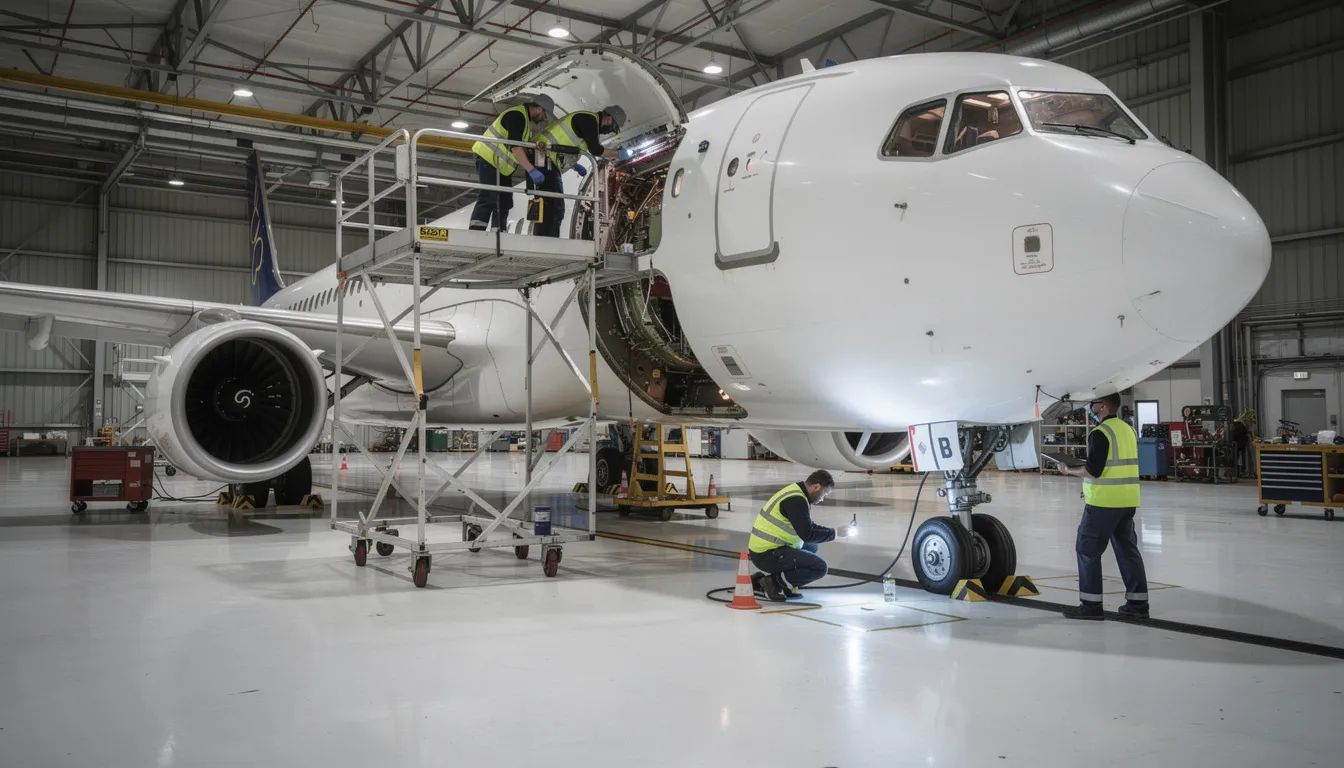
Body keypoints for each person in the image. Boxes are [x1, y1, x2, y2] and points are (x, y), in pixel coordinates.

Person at [1057, 393, 1150, 620]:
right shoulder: (1127, 429)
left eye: (1094, 403)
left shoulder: (1100, 433)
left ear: (1103, 406)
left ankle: (1090, 606)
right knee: (1128, 552)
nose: (1090, 407)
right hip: (1127, 501)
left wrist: (1068, 470)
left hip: (1103, 503)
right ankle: (1138, 607)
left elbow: (1093, 471)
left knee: (1087, 551)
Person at [748, 469, 854, 602]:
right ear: (816, 486)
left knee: (811, 547)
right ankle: (773, 582)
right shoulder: (797, 501)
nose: (823, 499)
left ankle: (777, 580)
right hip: (766, 554)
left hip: (768, 547)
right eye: (824, 493)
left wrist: (834, 531)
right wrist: (836, 533)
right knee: (820, 567)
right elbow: (808, 534)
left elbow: (809, 526)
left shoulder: (797, 491)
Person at [531, 105, 626, 237]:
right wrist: (619, 154)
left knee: (548, 203)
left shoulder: (587, 120)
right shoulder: (589, 120)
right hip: (543, 156)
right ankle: (548, 240)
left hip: (544, 156)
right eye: (613, 128)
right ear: (609, 119)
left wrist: (574, 165)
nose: (610, 131)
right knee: (555, 205)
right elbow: (596, 150)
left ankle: (544, 236)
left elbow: (568, 145)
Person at [468, 95, 555, 231]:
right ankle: (476, 232)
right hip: (488, 157)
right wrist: (531, 170)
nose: (545, 118)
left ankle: (498, 231)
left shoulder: (525, 120)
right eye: (545, 114)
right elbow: (515, 148)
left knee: (505, 200)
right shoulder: (517, 116)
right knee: (489, 196)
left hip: (500, 166)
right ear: (538, 108)